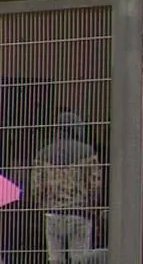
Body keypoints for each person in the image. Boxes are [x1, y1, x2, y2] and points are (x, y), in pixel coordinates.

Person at [30, 112, 102, 264]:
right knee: (80, 259)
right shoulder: (87, 151)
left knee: (55, 260)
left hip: (53, 215)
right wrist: (92, 209)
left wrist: (44, 206)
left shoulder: (43, 153)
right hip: (79, 214)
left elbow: (36, 188)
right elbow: (95, 185)